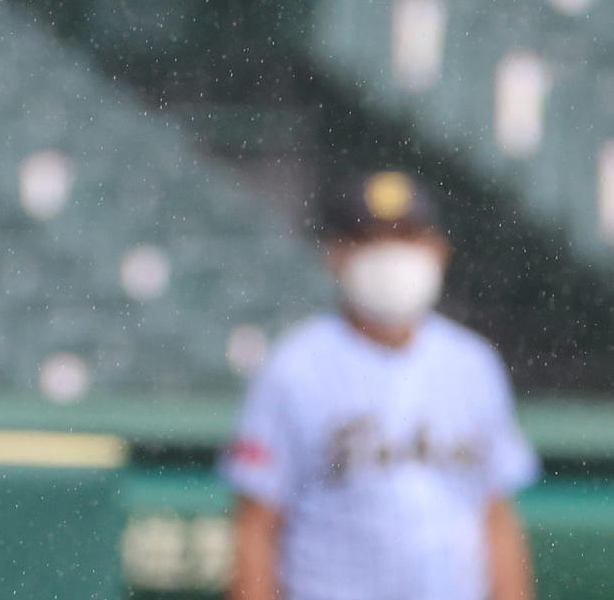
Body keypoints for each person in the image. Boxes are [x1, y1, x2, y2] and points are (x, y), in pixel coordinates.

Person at [221, 169, 538, 600]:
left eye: (407, 235)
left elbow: (494, 517)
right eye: (371, 238)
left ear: (437, 249)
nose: (393, 253)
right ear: (336, 253)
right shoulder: (293, 369)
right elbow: (256, 527)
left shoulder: (473, 364)